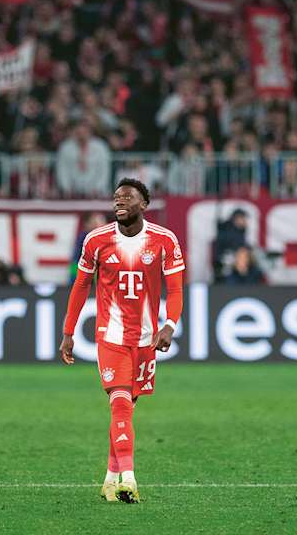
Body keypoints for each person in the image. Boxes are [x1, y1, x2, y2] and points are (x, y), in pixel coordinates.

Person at [60, 178, 184, 504]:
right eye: (116, 197)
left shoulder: (164, 240)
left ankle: (110, 478)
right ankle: (129, 479)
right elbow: (80, 287)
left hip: (145, 339)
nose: (119, 201)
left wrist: (169, 325)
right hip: (111, 336)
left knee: (127, 408)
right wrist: (68, 332)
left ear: (143, 204)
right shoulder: (96, 240)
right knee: (120, 403)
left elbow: (174, 290)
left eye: (127, 197)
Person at [55, 119, 111, 198]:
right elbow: (62, 169)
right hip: (72, 192)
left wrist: (98, 188)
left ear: (90, 132)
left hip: (96, 193)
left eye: (84, 132)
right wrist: (66, 188)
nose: (81, 135)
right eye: (79, 133)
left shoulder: (100, 147)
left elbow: (104, 170)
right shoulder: (66, 147)